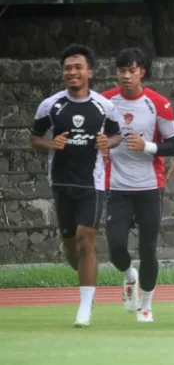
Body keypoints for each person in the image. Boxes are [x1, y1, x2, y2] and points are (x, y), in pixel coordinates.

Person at [29, 44, 122, 327]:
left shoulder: (103, 106)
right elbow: (34, 138)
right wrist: (50, 143)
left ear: (89, 72)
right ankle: (87, 286)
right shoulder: (51, 105)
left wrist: (109, 142)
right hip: (61, 181)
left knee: (86, 238)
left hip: (92, 183)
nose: (72, 72)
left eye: (78, 67)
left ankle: (84, 307)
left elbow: (116, 135)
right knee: (71, 247)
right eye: (68, 67)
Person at [102, 47, 174, 323]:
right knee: (115, 245)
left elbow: (173, 145)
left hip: (149, 187)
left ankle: (145, 305)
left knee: (148, 249)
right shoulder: (106, 101)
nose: (126, 76)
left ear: (142, 72)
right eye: (121, 71)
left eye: (131, 70)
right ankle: (128, 275)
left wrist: (146, 145)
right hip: (117, 187)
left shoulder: (158, 103)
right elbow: (95, 134)